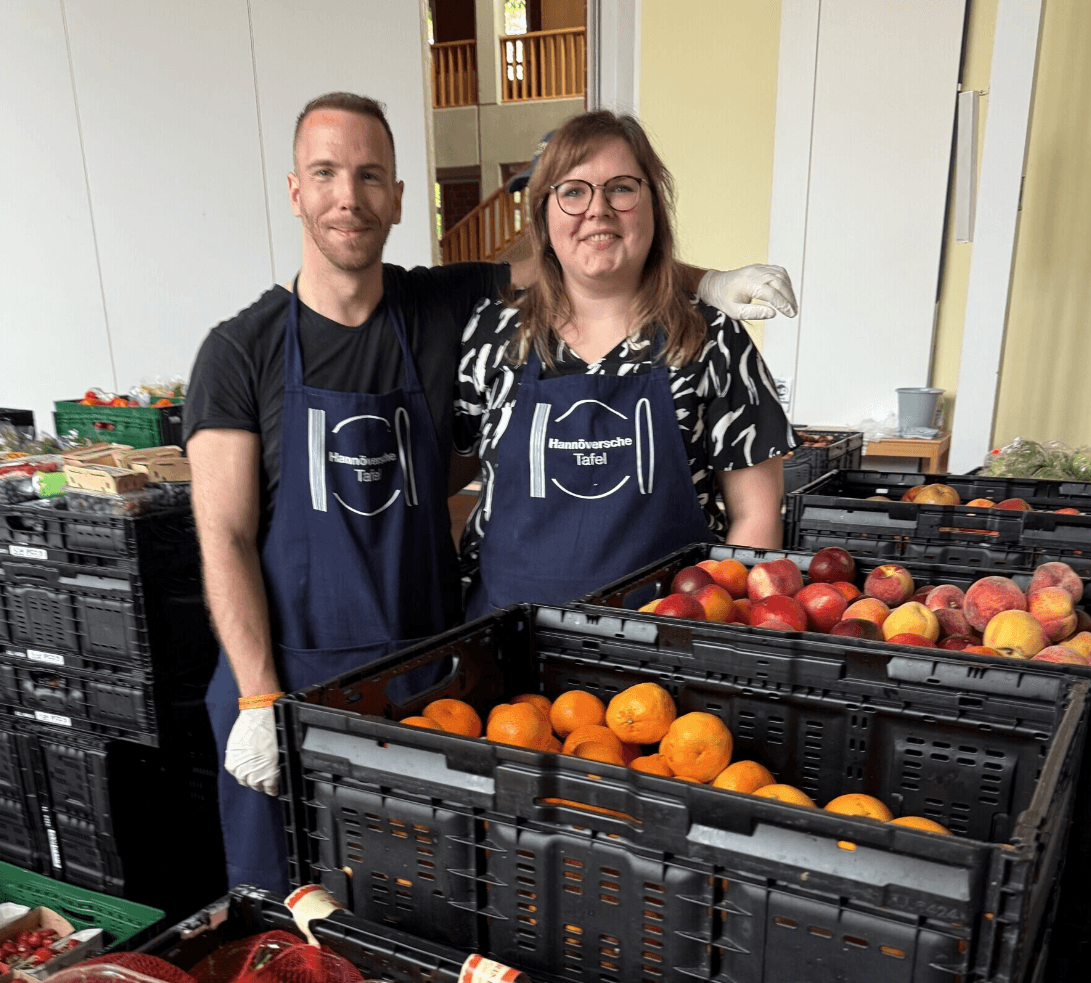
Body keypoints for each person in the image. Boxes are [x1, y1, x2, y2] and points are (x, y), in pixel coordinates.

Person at [185, 92, 797, 893]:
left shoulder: (443, 309)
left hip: (468, 673)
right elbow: (224, 537)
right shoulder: (252, 350)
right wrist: (260, 695)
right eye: (326, 173)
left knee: (444, 896)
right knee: (285, 906)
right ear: (295, 189)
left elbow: (597, 254)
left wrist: (708, 278)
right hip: (321, 675)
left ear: (399, 196)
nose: (349, 196)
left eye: (371, 175)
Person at [455, 111, 799, 618]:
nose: (598, 210)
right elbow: (444, 479)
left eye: (620, 188)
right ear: (544, 215)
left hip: (663, 659)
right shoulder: (491, 336)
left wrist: (707, 643)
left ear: (652, 205)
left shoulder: (712, 340)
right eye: (572, 191)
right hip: (507, 650)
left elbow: (756, 520)